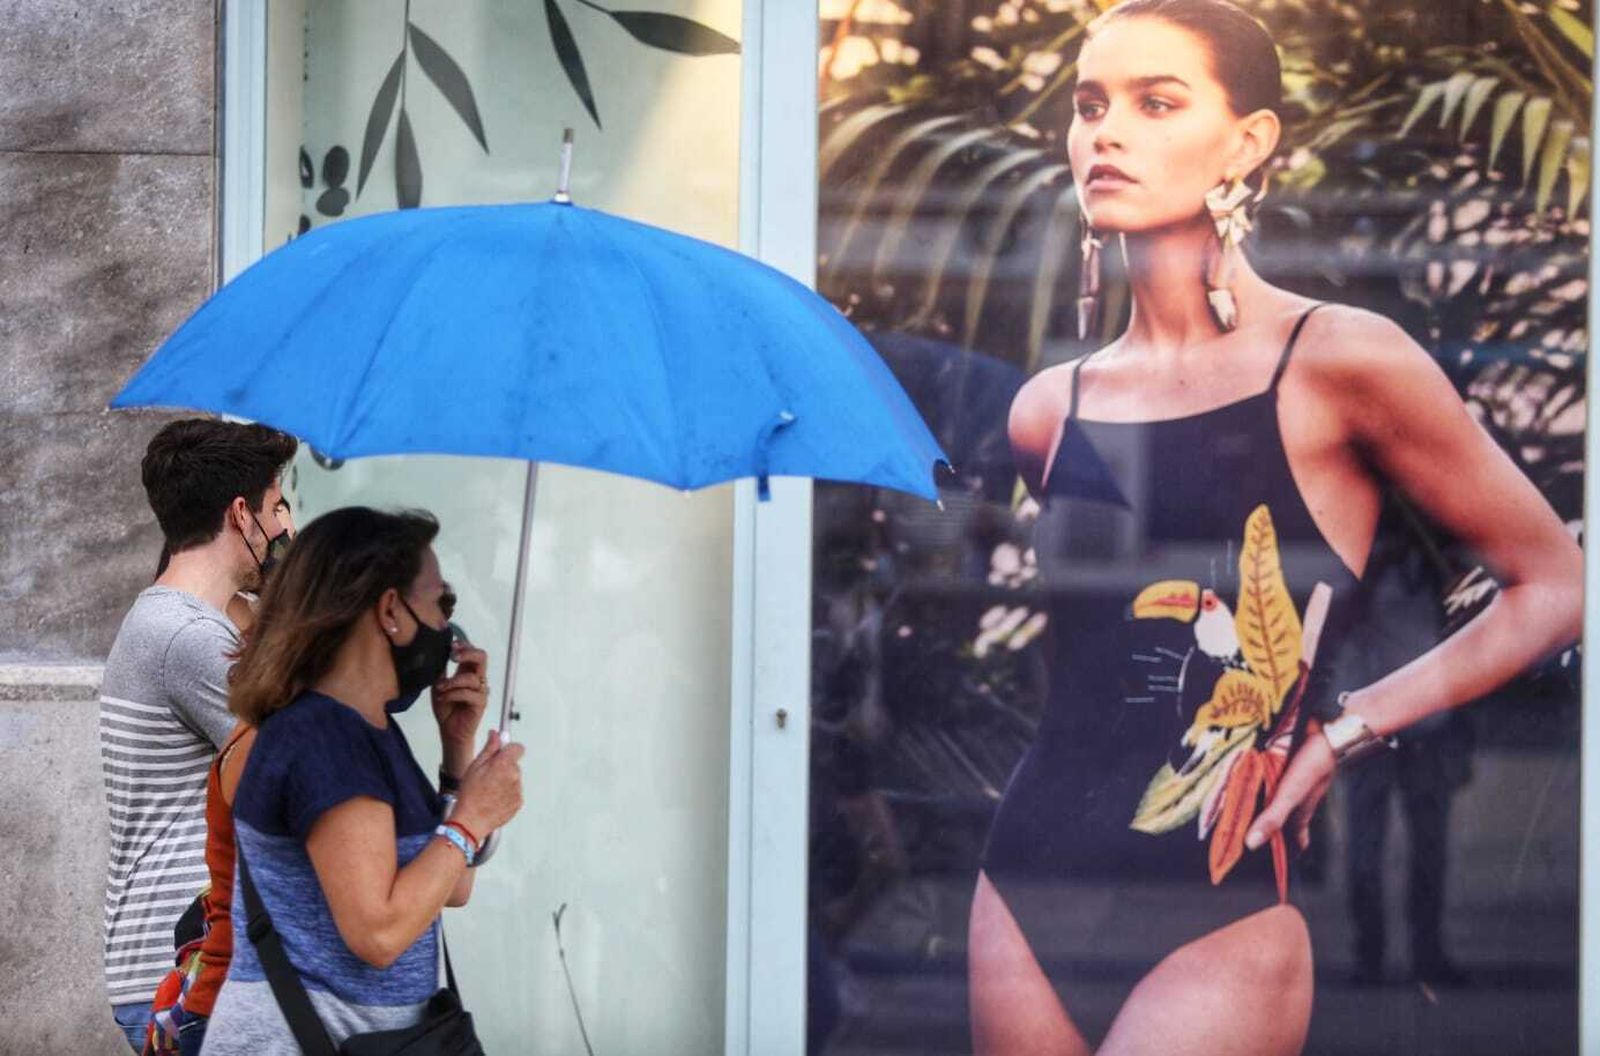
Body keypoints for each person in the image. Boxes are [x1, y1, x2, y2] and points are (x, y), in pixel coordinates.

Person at [967, 2, 1584, 1053]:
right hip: (1024, 886)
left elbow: (1555, 584)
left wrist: (1347, 731)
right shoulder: (1048, 409)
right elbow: (1102, 663)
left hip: (1224, 901)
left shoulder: (1338, 361)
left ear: (1248, 142)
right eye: (1088, 105)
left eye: (1156, 102)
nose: (1105, 132)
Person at [202, 507, 523, 1053]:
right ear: (392, 611)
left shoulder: (368, 729)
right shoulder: (325, 739)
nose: (448, 627)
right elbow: (378, 932)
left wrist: (456, 751)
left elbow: (452, 885)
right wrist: (470, 820)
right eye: (440, 602)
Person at [100, 419, 296, 1051]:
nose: (286, 528)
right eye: (277, 508)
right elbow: (298, 760)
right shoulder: (188, 638)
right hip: (185, 964)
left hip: (174, 960)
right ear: (242, 514)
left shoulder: (179, 620)